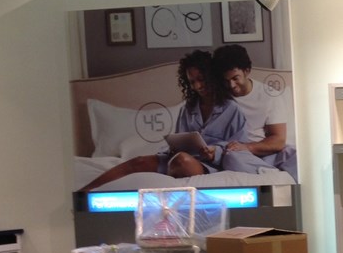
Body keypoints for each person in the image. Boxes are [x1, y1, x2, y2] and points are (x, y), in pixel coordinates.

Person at [78, 50, 249, 192]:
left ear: (211, 76)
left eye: (201, 79)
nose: (197, 86)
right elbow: (182, 138)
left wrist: (215, 151)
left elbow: (239, 148)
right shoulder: (188, 108)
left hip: (207, 165)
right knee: (138, 161)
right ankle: (83, 192)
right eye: (192, 82)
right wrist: (174, 146)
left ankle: (166, 175)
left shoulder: (231, 109)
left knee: (182, 161)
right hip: (178, 158)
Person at [212, 44, 298, 179]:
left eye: (235, 78)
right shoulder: (219, 99)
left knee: (297, 156)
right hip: (240, 156)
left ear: (247, 71)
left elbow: (278, 140)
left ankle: (268, 172)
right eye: (226, 80)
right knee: (231, 159)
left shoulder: (269, 95)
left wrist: (248, 147)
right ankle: (272, 175)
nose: (231, 85)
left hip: (268, 153)